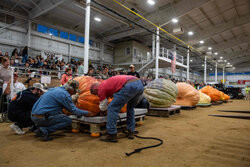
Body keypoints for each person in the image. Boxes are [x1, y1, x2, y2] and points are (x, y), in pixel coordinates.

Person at [90, 75, 144, 142]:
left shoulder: (100, 88)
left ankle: (111, 134)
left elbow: (103, 106)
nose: (96, 95)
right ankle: (131, 131)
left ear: (95, 89)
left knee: (112, 108)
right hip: (139, 84)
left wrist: (102, 112)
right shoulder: (105, 84)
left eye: (94, 93)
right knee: (130, 108)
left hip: (128, 86)